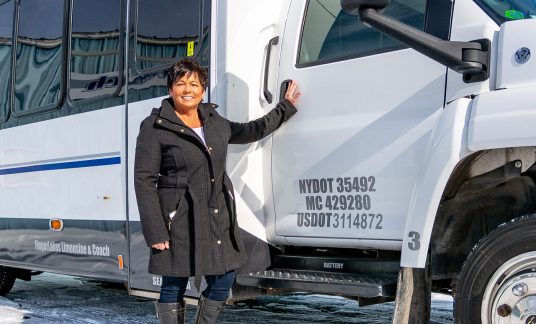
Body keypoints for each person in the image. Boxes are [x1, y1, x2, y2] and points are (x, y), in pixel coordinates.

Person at [134, 58, 300, 324]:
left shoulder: (214, 121)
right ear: (170, 89)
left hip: (215, 216)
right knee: (174, 283)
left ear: (203, 90)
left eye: (194, 84)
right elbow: (144, 180)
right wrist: (155, 231)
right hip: (178, 218)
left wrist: (285, 107)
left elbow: (250, 131)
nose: (187, 89)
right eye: (180, 83)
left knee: (224, 279)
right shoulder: (155, 127)